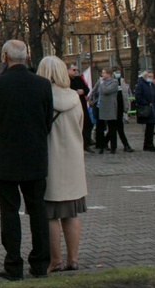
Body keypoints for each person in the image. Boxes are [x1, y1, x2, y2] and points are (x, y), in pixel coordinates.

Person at [0, 40, 53, 281]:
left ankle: (13, 265)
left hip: (5, 156)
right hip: (35, 155)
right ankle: (41, 264)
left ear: (4, 57)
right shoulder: (42, 84)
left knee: (9, 212)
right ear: (27, 56)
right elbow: (47, 120)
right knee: (38, 210)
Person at [37, 56, 88, 273]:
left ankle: (55, 260)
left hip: (50, 161)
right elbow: (81, 126)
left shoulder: (41, 98)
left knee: (51, 215)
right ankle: (73, 259)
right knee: (72, 213)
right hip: (74, 161)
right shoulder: (75, 98)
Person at [89, 68, 119, 153]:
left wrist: (102, 83)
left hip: (109, 107)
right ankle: (101, 146)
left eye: (104, 73)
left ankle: (113, 147)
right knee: (100, 127)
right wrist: (90, 99)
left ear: (109, 74)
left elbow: (106, 91)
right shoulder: (100, 81)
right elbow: (94, 90)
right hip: (99, 106)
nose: (102, 75)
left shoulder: (114, 82)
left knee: (112, 127)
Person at [68, 64, 94, 153]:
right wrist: (75, 92)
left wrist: (83, 91)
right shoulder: (66, 80)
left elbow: (87, 89)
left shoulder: (79, 79)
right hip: (72, 106)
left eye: (76, 70)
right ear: (68, 70)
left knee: (88, 124)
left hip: (82, 105)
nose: (76, 72)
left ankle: (86, 144)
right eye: (73, 70)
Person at [111, 66, 134, 152]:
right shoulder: (111, 81)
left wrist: (127, 106)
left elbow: (125, 95)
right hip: (113, 108)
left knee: (118, 127)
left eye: (119, 72)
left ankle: (125, 145)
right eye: (116, 72)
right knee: (114, 128)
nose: (118, 74)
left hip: (120, 107)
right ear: (112, 73)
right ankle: (125, 145)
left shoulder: (122, 81)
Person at [135, 70, 155, 152]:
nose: (151, 78)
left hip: (152, 107)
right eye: (149, 77)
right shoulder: (141, 84)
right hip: (146, 107)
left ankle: (148, 144)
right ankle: (149, 145)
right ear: (145, 77)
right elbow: (138, 96)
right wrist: (145, 103)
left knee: (151, 127)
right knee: (149, 127)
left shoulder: (152, 84)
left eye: (152, 77)